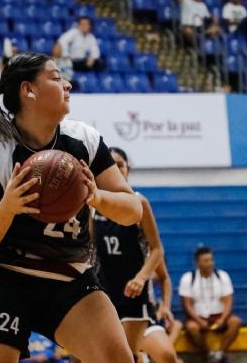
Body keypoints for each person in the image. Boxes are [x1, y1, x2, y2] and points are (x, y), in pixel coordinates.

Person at [0, 52, 143, 363]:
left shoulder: (84, 139)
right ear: (29, 90)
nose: (67, 84)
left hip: (69, 276)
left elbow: (132, 210)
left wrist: (97, 197)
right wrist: (7, 208)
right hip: (5, 277)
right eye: (56, 78)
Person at [92, 147, 177, 363]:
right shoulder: (92, 206)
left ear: (128, 168)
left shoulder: (140, 202)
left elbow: (157, 249)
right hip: (105, 292)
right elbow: (88, 250)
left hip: (133, 295)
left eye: (120, 164)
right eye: (111, 165)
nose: (116, 169)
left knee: (129, 355)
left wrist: (141, 277)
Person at [179, 246, 241, 363]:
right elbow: (187, 304)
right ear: (197, 263)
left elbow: (228, 301)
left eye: (211, 260)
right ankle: (207, 354)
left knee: (235, 322)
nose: (210, 263)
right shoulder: (188, 278)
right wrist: (198, 320)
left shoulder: (222, 276)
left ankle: (219, 354)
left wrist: (222, 319)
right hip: (198, 316)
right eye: (206, 261)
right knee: (192, 328)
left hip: (218, 315)